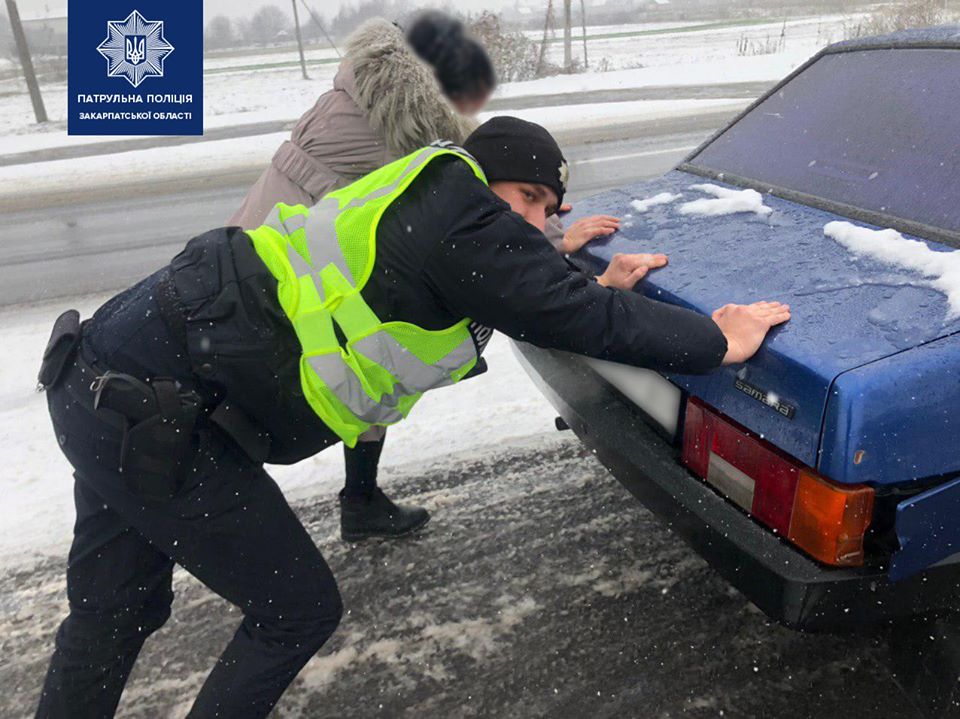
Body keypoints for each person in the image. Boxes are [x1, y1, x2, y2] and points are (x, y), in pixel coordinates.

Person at [34, 116, 789, 718]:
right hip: (156, 413)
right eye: (528, 198)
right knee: (296, 610)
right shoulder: (461, 219)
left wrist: (564, 256)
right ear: (486, 175)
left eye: (551, 209)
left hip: (102, 372)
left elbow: (502, 284)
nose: (537, 219)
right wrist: (718, 341)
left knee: (112, 614)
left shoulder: (428, 196)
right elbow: (575, 317)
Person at [231, 11, 620, 542]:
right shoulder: (401, 121)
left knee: (361, 365)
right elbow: (467, 209)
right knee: (288, 388)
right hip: (285, 273)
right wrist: (551, 239)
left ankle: (353, 503)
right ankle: (264, 536)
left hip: (262, 247)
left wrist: (541, 213)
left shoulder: (359, 90)